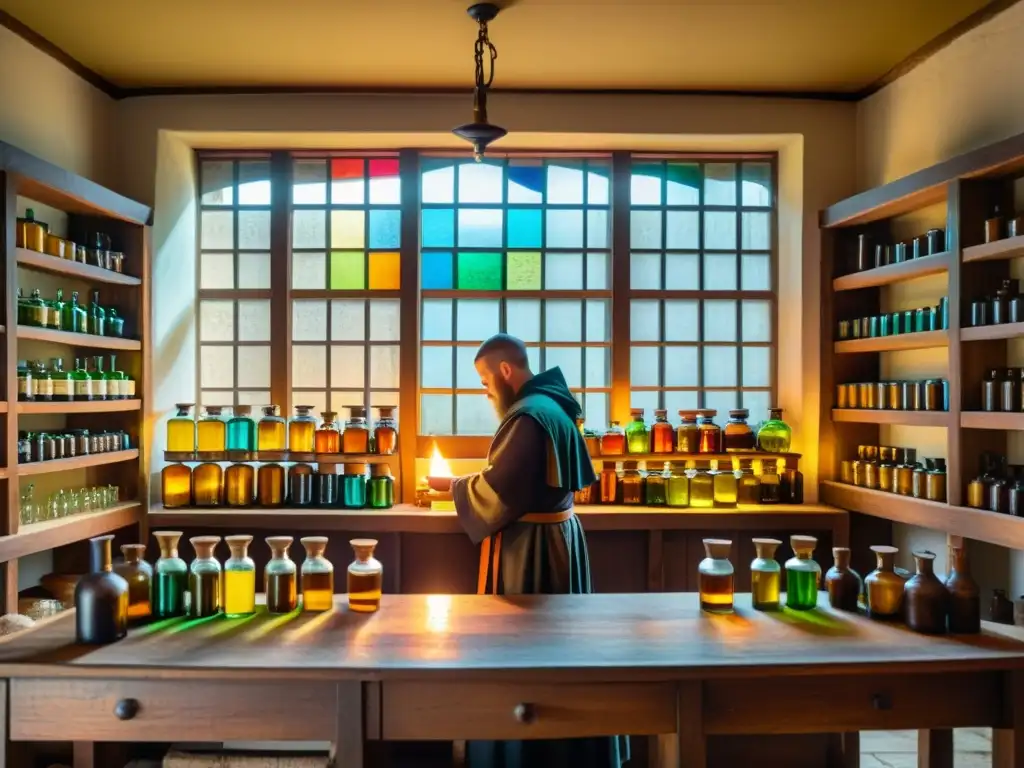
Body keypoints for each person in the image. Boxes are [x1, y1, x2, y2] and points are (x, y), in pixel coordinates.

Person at [443, 333, 629, 768]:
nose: (485, 391)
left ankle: (527, 754)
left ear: (506, 371)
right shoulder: (551, 406)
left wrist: (453, 487)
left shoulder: (529, 416)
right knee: (563, 651)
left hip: (533, 553)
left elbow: (501, 489)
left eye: (486, 381)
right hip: (559, 541)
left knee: (525, 653)